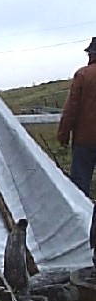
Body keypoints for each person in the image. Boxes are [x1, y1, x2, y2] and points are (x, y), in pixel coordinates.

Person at [57, 37, 96, 198]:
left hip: (85, 140)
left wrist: (63, 135)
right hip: (85, 140)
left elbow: (71, 109)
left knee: (80, 187)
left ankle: (82, 220)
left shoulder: (83, 75)